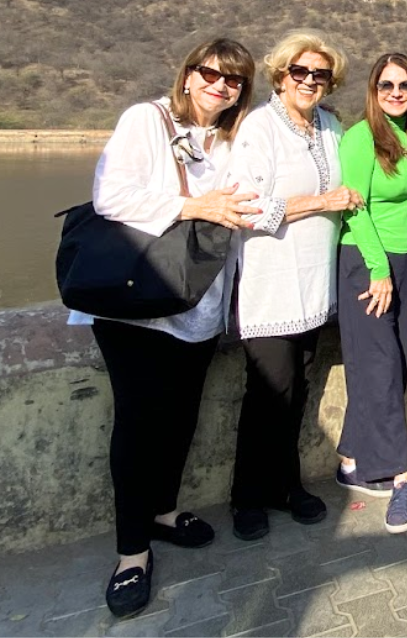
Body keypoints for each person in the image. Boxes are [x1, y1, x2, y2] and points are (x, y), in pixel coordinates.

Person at [68, 38, 258, 618]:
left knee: (180, 417)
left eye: (232, 81)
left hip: (194, 302)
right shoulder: (146, 121)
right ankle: (131, 552)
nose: (219, 87)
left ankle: (163, 510)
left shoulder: (229, 137)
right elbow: (112, 196)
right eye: (210, 75)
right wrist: (194, 206)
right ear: (189, 74)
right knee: (138, 424)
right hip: (136, 303)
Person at [224, 30, 361, 540]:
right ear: (280, 76)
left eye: (319, 75)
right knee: (267, 393)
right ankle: (247, 495)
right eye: (298, 72)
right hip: (270, 283)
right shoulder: (260, 127)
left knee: (299, 388)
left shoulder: (329, 126)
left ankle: (286, 485)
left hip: (313, 286)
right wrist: (318, 203)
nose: (308, 81)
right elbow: (245, 206)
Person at [334, 53, 407, 532]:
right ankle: (398, 476)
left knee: (391, 359)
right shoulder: (360, 138)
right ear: (372, 90)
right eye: (386, 85)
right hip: (367, 260)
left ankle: (352, 460)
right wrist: (378, 270)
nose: (396, 93)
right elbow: (354, 207)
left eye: (405, 86)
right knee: (379, 365)